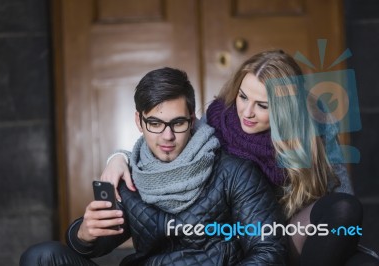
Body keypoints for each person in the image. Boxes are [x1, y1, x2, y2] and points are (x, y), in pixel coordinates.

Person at [103, 51, 379, 266]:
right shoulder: (216, 120)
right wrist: (120, 157)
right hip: (244, 239)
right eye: (243, 97)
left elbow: (341, 193)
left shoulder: (313, 123)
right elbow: (169, 142)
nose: (246, 112)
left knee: (348, 218)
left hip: (294, 231)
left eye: (262, 105)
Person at [20, 67, 287, 265]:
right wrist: (83, 234)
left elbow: (269, 251)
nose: (167, 136)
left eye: (178, 123)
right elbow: (95, 245)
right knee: (41, 257)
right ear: (139, 121)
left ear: (192, 121)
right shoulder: (130, 174)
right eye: (155, 124)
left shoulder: (234, 173)